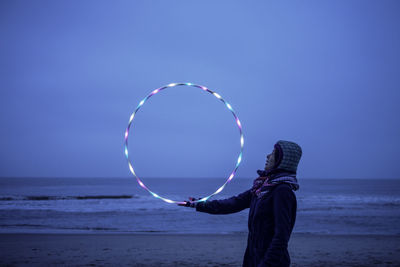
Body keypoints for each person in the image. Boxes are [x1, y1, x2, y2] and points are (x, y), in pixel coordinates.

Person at [179, 140, 302, 267]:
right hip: (253, 257)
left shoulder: (282, 191)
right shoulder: (261, 188)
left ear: (282, 160)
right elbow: (232, 204)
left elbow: (281, 237)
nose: (268, 156)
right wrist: (197, 204)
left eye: (273, 153)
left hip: (270, 262)